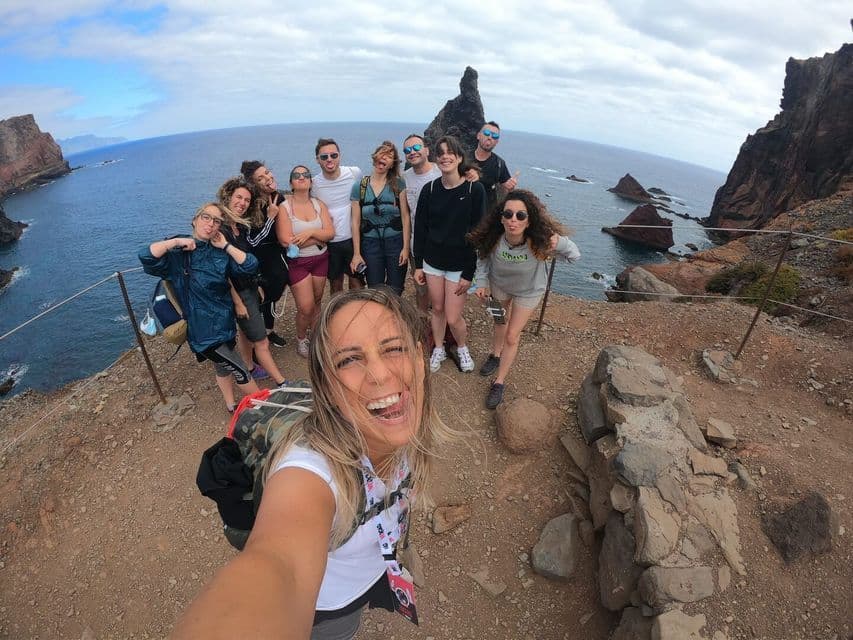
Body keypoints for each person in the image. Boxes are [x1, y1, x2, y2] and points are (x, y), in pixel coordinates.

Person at [171, 288, 455, 639]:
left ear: (419, 358)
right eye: (349, 359)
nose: (380, 374)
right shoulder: (310, 472)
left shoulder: (400, 424)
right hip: (329, 608)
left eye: (394, 348)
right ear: (327, 388)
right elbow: (279, 563)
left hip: (369, 572)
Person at [138, 203, 260, 412]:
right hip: (203, 331)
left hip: (225, 323)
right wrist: (175, 242)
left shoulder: (220, 254)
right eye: (206, 217)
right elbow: (146, 256)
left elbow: (250, 265)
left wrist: (226, 246)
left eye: (216, 221)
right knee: (240, 370)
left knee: (223, 366)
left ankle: (231, 405)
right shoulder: (179, 255)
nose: (210, 224)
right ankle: (267, 408)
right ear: (194, 220)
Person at [468, 189, 580, 408]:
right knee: (499, 323)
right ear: (501, 217)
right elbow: (482, 259)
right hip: (499, 287)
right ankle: (495, 354)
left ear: (529, 221)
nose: (513, 220)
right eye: (508, 214)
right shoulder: (494, 238)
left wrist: (561, 243)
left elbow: (575, 256)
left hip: (529, 291)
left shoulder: (540, 241)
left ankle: (499, 382)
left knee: (512, 335)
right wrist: (482, 282)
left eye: (521, 215)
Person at [412, 135, 486, 373]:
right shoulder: (430, 189)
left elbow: (478, 234)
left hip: (458, 264)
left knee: (453, 316)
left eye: (450, 152)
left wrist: (469, 272)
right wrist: (418, 264)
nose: (445, 156)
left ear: (460, 158)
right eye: (440, 152)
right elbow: (420, 228)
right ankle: (439, 348)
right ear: (436, 158)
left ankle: (462, 347)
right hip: (432, 261)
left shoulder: (475, 189)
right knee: (438, 309)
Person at [217, 177, 288, 387]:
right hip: (237, 293)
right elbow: (223, 272)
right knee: (261, 340)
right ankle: (282, 382)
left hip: (248, 287)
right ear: (228, 197)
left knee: (246, 333)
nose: (242, 203)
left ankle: (248, 366)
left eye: (247, 200)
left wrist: (256, 285)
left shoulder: (239, 225)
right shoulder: (221, 230)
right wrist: (238, 302)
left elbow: (250, 250)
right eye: (239, 197)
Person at [276, 165, 335, 358]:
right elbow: (286, 241)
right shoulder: (284, 208)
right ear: (291, 182)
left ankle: (316, 336)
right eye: (296, 175)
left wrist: (309, 233)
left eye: (305, 175)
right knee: (306, 306)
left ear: (311, 181)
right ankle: (302, 339)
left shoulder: (319, 204)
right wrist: (319, 237)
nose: (301, 177)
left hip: (321, 258)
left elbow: (331, 233)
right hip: (298, 263)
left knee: (317, 301)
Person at [240, 160, 290, 348]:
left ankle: (269, 331)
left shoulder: (278, 197)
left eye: (267, 172)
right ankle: (258, 342)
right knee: (263, 297)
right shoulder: (251, 205)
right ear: (254, 184)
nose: (268, 178)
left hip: (277, 253)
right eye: (261, 178)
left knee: (274, 293)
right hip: (259, 258)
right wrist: (270, 217)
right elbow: (253, 240)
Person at [350, 141, 410, 296]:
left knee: (395, 288)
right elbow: (355, 222)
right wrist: (357, 253)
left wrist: (405, 248)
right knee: (374, 289)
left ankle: (393, 318)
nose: (384, 157)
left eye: (389, 155)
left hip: (395, 242)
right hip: (370, 244)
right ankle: (378, 318)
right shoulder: (359, 187)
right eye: (382, 153)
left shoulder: (398, 184)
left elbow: (405, 216)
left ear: (392, 164)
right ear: (374, 158)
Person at [311, 138, 364, 294]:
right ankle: (337, 316)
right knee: (335, 284)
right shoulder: (314, 184)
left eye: (333, 155)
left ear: (339, 156)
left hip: (354, 239)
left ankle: (356, 315)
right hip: (331, 243)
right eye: (324, 157)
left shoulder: (354, 173)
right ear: (317, 160)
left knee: (357, 283)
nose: (329, 159)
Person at [402, 134, 439, 312]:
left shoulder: (441, 171)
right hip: (417, 243)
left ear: (426, 150)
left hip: (441, 242)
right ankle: (424, 324)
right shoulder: (404, 178)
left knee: (442, 287)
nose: (412, 152)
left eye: (416, 147)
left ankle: (444, 326)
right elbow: (406, 215)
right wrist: (406, 246)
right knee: (421, 287)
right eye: (407, 150)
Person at [474, 121, 518, 211]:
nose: (490, 137)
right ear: (478, 135)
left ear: (497, 142)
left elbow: (506, 188)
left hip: (485, 216)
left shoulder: (499, 164)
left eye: (494, 136)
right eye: (486, 133)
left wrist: (511, 187)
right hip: (462, 212)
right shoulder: (463, 158)